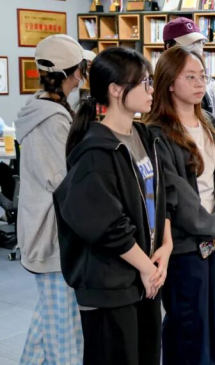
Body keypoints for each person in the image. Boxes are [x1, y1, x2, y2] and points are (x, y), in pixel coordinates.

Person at [54, 47, 172, 365]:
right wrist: (147, 268)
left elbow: (164, 196)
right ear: (117, 90)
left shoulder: (145, 136)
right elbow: (107, 226)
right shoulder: (95, 152)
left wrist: (166, 247)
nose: (151, 90)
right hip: (112, 284)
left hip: (146, 276)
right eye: (144, 82)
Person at [145, 46, 215, 365]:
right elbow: (176, 194)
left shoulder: (210, 123)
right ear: (169, 83)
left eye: (202, 75)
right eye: (190, 77)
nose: (200, 82)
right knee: (189, 324)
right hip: (184, 246)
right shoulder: (157, 133)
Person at [14, 35, 89, 364]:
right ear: (75, 73)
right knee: (64, 332)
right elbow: (64, 182)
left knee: (49, 319)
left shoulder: (45, 109)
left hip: (48, 232)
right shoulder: (52, 119)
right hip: (53, 238)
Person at [163, 17, 215, 140]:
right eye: (189, 43)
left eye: (200, 42)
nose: (197, 48)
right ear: (169, 47)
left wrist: (209, 145)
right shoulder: (154, 90)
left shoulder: (206, 86)